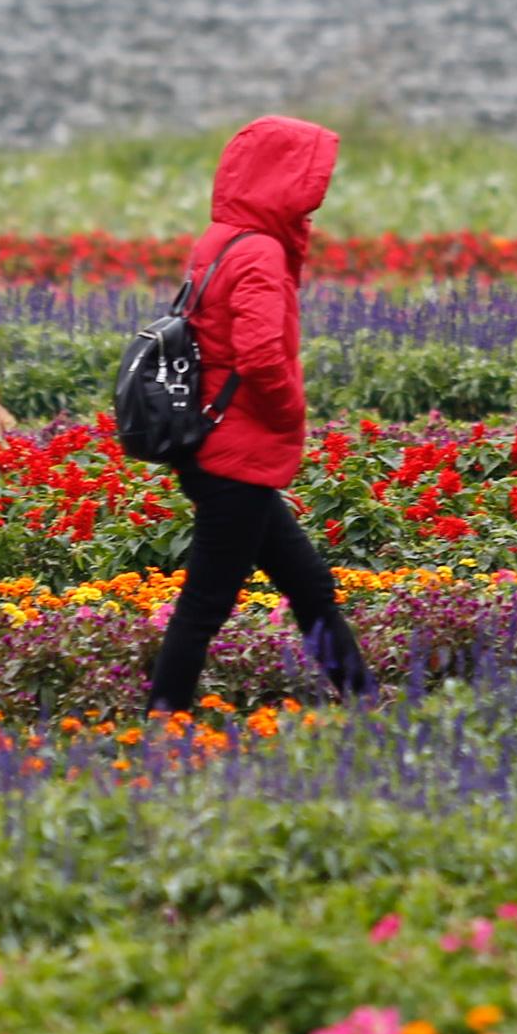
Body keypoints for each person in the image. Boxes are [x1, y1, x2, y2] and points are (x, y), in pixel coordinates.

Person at [145, 115, 374, 713]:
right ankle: (161, 724)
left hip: (220, 448)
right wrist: (291, 412)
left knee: (309, 585)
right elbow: (261, 356)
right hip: (235, 456)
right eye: (310, 183)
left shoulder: (222, 237)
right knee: (205, 605)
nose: (315, 200)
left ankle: (364, 703)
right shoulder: (261, 253)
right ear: (281, 181)